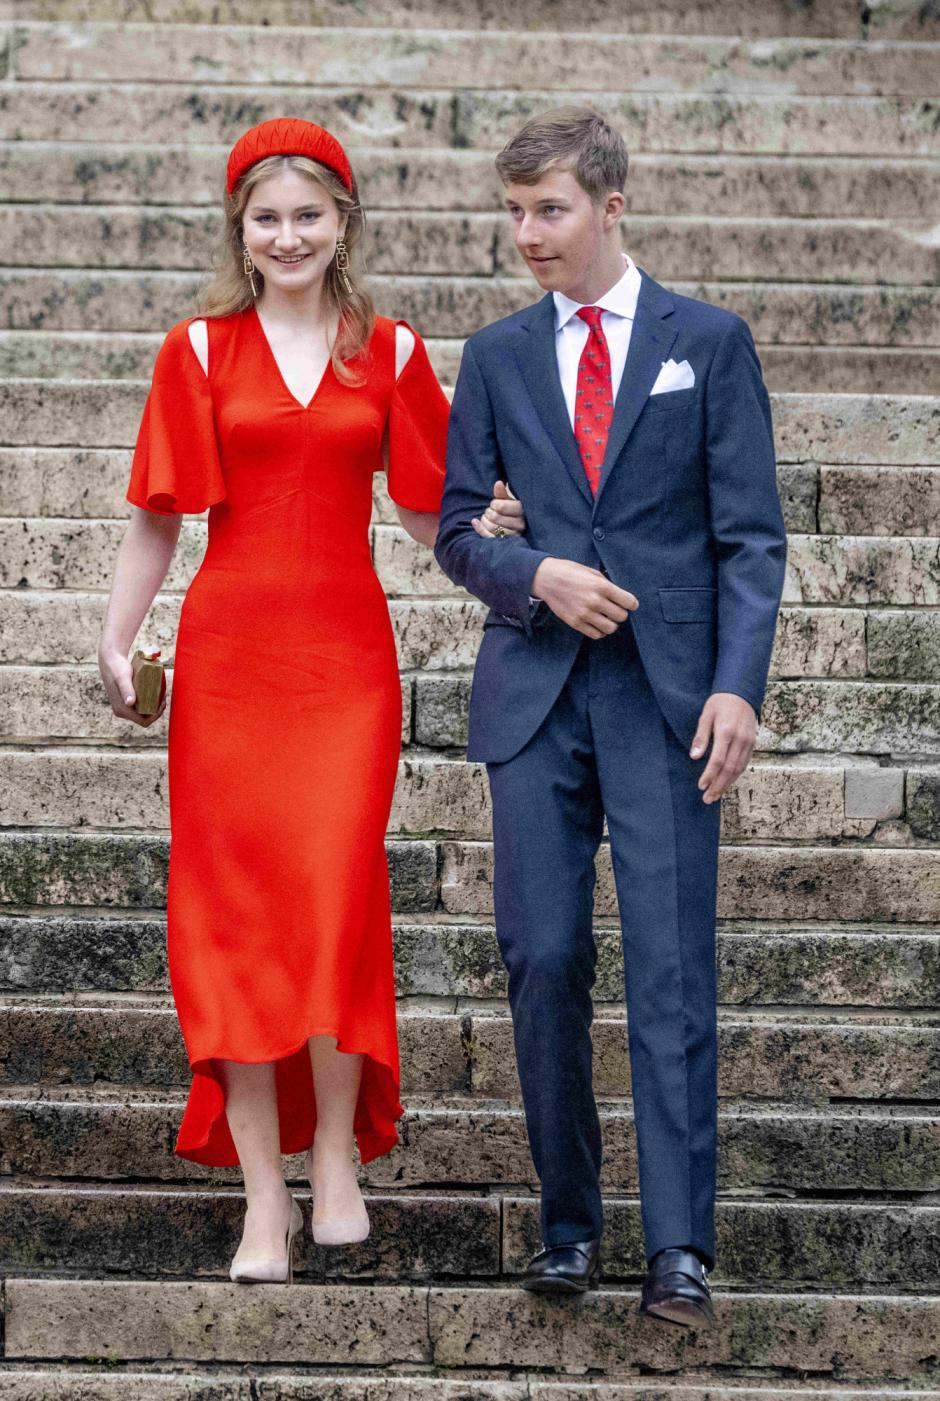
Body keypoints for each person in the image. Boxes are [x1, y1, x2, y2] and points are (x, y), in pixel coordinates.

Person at [97, 117, 523, 1285]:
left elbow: (432, 507)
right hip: (230, 664)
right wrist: (117, 635)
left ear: (343, 223)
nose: (287, 234)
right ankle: (262, 1203)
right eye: (265, 216)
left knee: (334, 899)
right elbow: (159, 515)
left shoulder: (385, 350)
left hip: (342, 668)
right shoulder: (195, 348)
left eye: (308, 214)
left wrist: (500, 529)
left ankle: (335, 1152)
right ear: (241, 229)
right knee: (234, 921)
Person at [434, 106, 787, 1328]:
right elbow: (451, 528)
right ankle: (569, 1228)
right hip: (535, 697)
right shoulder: (493, 358)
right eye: (516, 212)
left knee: (672, 969)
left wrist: (738, 683)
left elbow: (750, 535)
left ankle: (680, 1248)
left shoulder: (711, 344)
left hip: (670, 698)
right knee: (542, 960)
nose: (528, 234)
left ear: (611, 206)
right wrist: (531, 574)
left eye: (551, 211)